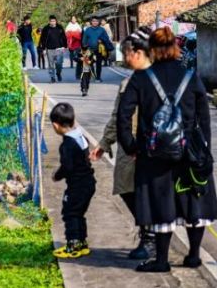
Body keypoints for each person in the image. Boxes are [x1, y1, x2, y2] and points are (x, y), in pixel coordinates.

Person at [117, 27, 217, 273]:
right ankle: (193, 256)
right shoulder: (191, 77)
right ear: (176, 47)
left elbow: (123, 115)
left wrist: (131, 146)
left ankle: (161, 261)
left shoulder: (141, 79)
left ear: (152, 50)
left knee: (161, 203)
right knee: (193, 200)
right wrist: (203, 151)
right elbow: (204, 119)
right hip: (189, 153)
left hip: (153, 154)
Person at [90, 27, 154, 260]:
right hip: (129, 146)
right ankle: (148, 231)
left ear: (139, 52)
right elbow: (117, 116)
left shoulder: (159, 80)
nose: (125, 58)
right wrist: (105, 143)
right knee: (126, 187)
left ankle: (151, 238)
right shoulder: (127, 84)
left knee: (149, 192)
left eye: (127, 53)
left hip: (151, 147)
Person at [50, 102, 96, 259]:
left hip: (77, 185)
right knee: (78, 213)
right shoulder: (80, 136)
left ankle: (73, 245)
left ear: (56, 125)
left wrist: (57, 175)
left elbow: (67, 166)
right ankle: (82, 244)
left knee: (70, 213)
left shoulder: (67, 144)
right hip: (88, 182)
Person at [81, 16, 114, 82]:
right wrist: (84, 46)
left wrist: (101, 40)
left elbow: (106, 38)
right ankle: (94, 75)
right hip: (90, 49)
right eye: (93, 21)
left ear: (98, 22)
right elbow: (84, 39)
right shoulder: (88, 30)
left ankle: (98, 77)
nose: (95, 22)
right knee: (89, 63)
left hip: (99, 49)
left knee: (98, 63)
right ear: (91, 22)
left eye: (96, 21)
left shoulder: (102, 29)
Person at [40, 15, 68, 83]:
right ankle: (52, 77)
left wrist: (65, 46)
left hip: (59, 48)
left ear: (56, 21)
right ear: (49, 22)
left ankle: (58, 73)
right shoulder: (46, 29)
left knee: (59, 63)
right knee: (51, 64)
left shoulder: (59, 28)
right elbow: (42, 39)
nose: (52, 22)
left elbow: (64, 37)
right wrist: (43, 49)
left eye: (54, 21)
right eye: (51, 21)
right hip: (49, 49)